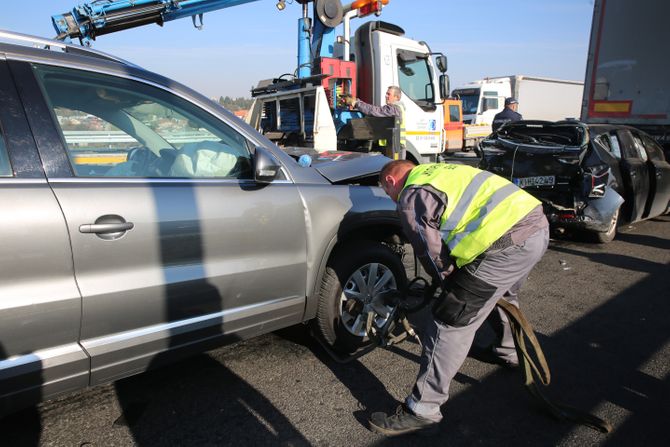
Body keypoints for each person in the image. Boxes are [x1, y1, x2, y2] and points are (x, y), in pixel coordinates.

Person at [370, 160, 549, 436]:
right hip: (535, 227)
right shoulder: (441, 170)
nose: (390, 197)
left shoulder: (412, 193)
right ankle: (507, 351)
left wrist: (447, 279)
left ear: (391, 182)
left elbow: (428, 248)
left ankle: (423, 409)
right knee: (503, 295)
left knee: (450, 320)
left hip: (508, 242)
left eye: (386, 190)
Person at [343, 86, 406, 159]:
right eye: (386, 94)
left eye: (389, 94)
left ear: (397, 97)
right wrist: (358, 101)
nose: (386, 96)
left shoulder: (395, 109)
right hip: (393, 146)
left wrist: (357, 103)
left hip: (396, 148)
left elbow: (374, 111)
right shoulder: (395, 108)